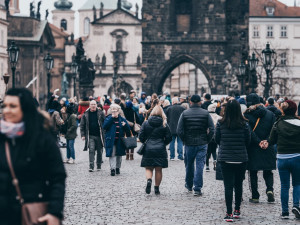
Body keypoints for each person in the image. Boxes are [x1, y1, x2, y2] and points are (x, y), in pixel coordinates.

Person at [0, 88, 66, 225]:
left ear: (25, 108)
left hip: (32, 213)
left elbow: (57, 177)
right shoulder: (2, 137)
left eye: (13, 106)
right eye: (4, 106)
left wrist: (54, 212)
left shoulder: (42, 138)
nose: (6, 110)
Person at [215, 99, 251, 222]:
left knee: (228, 186)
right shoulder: (245, 124)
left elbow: (217, 139)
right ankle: (237, 210)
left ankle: (229, 213)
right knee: (239, 185)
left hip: (225, 158)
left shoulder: (221, 123)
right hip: (241, 158)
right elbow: (248, 141)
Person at [177, 94, 215, 196]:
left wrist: (184, 139)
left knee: (189, 165)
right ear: (200, 102)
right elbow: (212, 129)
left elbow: (179, 130)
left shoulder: (185, 113)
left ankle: (189, 185)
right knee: (199, 166)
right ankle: (197, 188)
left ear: (190, 102)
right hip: (202, 143)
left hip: (189, 143)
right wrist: (207, 139)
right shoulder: (206, 113)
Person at [269, 100, 300, 219]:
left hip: (282, 158)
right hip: (297, 157)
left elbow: (272, 140)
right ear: (294, 110)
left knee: (284, 185)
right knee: (297, 184)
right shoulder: (299, 123)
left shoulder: (278, 123)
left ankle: (285, 211)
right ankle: (296, 205)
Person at [244, 93, 276, 203]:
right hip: (268, 145)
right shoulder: (270, 114)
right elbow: (273, 130)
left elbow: (249, 132)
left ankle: (255, 195)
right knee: (268, 171)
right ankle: (270, 190)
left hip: (253, 147)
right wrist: (266, 141)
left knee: (253, 172)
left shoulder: (247, 115)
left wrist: (258, 142)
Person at [139, 105, 172, 194]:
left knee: (148, 168)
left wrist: (145, 142)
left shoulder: (146, 123)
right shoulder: (164, 123)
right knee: (158, 169)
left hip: (148, 148)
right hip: (160, 148)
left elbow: (141, 136)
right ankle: (156, 188)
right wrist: (163, 143)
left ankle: (149, 180)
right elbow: (169, 137)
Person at [103, 104, 131, 176]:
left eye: (115, 111)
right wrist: (111, 118)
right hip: (111, 140)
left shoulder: (122, 119)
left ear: (118, 112)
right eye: (113, 111)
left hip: (120, 140)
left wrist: (125, 125)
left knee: (119, 155)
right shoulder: (108, 118)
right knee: (112, 154)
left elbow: (128, 130)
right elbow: (104, 126)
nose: (114, 113)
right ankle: (112, 169)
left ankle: (117, 168)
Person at [80, 100, 105, 172]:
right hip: (90, 135)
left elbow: (105, 123)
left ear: (96, 105)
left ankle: (99, 165)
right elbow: (82, 125)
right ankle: (91, 166)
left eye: (94, 104)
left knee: (99, 151)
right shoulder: (85, 114)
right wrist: (83, 135)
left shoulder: (101, 113)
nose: (93, 105)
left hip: (99, 135)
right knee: (91, 150)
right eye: (92, 104)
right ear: (89, 105)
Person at [206, 104, 222, 171]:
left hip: (208, 135)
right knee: (214, 150)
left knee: (208, 151)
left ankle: (207, 166)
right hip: (215, 135)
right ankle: (215, 160)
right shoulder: (219, 117)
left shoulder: (206, 116)